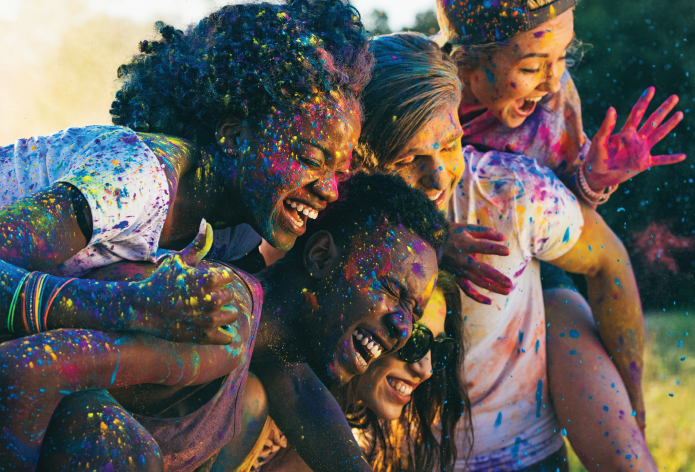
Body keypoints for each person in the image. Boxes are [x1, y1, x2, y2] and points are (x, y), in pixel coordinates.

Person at [351, 32, 659, 470]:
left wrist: (633, 407)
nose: (438, 177)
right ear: (360, 162)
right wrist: (428, 249)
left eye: (449, 145)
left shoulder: (509, 193)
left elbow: (609, 260)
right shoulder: (326, 219)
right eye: (407, 160)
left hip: (526, 458)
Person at [0, 172, 448, 472]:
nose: (402, 330)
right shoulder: (218, 314)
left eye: (413, 313)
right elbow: (23, 369)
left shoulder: (267, 364)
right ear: (320, 256)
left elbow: (307, 402)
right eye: (392, 290)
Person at [0, 0, 371, 346]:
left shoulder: (237, 233)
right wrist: (130, 307)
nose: (331, 190)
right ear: (234, 136)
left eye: (339, 173)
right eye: (309, 158)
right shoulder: (136, 177)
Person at [436, 0, 685, 451]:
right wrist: (432, 236)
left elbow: (566, 204)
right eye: (533, 66)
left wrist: (592, 178)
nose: (553, 80)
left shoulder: (553, 99)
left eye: (564, 57)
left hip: (530, 270)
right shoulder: (415, 91)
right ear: (466, 62)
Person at [232, 272, 471, 472]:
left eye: (439, 349)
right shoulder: (257, 393)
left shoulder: (355, 435)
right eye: (413, 341)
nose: (426, 369)